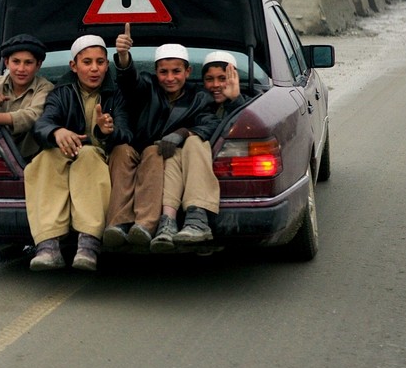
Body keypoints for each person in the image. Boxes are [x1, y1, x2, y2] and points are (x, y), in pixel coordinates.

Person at [103, 23, 215, 252]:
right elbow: (129, 80)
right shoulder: (147, 86)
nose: (170, 78)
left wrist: (181, 134)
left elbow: (210, 123)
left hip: (159, 153)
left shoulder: (199, 98)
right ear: (156, 73)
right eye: (163, 72)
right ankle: (119, 223)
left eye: (176, 72)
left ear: (188, 72)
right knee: (120, 151)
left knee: (153, 153)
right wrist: (123, 57)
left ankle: (145, 224)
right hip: (134, 146)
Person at [25, 35, 130, 271]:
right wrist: (56, 131)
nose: (94, 69)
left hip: (99, 158)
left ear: (107, 65)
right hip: (65, 155)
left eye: (100, 62)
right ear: (74, 66)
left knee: (88, 155)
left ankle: (88, 244)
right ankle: (47, 245)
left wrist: (105, 132)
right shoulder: (60, 93)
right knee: (44, 158)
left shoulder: (116, 95)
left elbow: (127, 135)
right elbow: (42, 125)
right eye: (87, 62)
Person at [150, 50, 248, 253]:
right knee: (175, 153)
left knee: (194, 142)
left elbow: (240, 128)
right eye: (209, 79)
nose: (216, 85)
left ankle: (197, 219)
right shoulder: (197, 103)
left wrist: (235, 99)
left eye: (223, 78)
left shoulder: (245, 101)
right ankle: (168, 220)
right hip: (185, 167)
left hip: (219, 168)